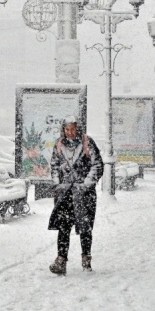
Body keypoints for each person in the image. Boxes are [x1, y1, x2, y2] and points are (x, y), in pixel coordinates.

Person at [48, 115, 104, 275]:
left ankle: (86, 260)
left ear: (77, 129)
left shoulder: (87, 143)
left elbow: (97, 165)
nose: (70, 132)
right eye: (67, 129)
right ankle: (61, 260)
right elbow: (54, 165)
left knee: (85, 227)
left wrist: (85, 184)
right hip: (65, 193)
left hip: (84, 194)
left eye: (73, 129)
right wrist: (58, 184)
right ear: (63, 130)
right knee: (63, 226)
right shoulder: (59, 144)